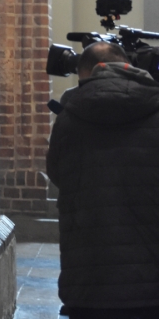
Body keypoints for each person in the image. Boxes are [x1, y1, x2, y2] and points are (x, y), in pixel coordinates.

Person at [47, 41, 159, 318]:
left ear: (88, 72)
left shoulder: (68, 117)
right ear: (127, 65)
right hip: (150, 282)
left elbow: (57, 174)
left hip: (87, 281)